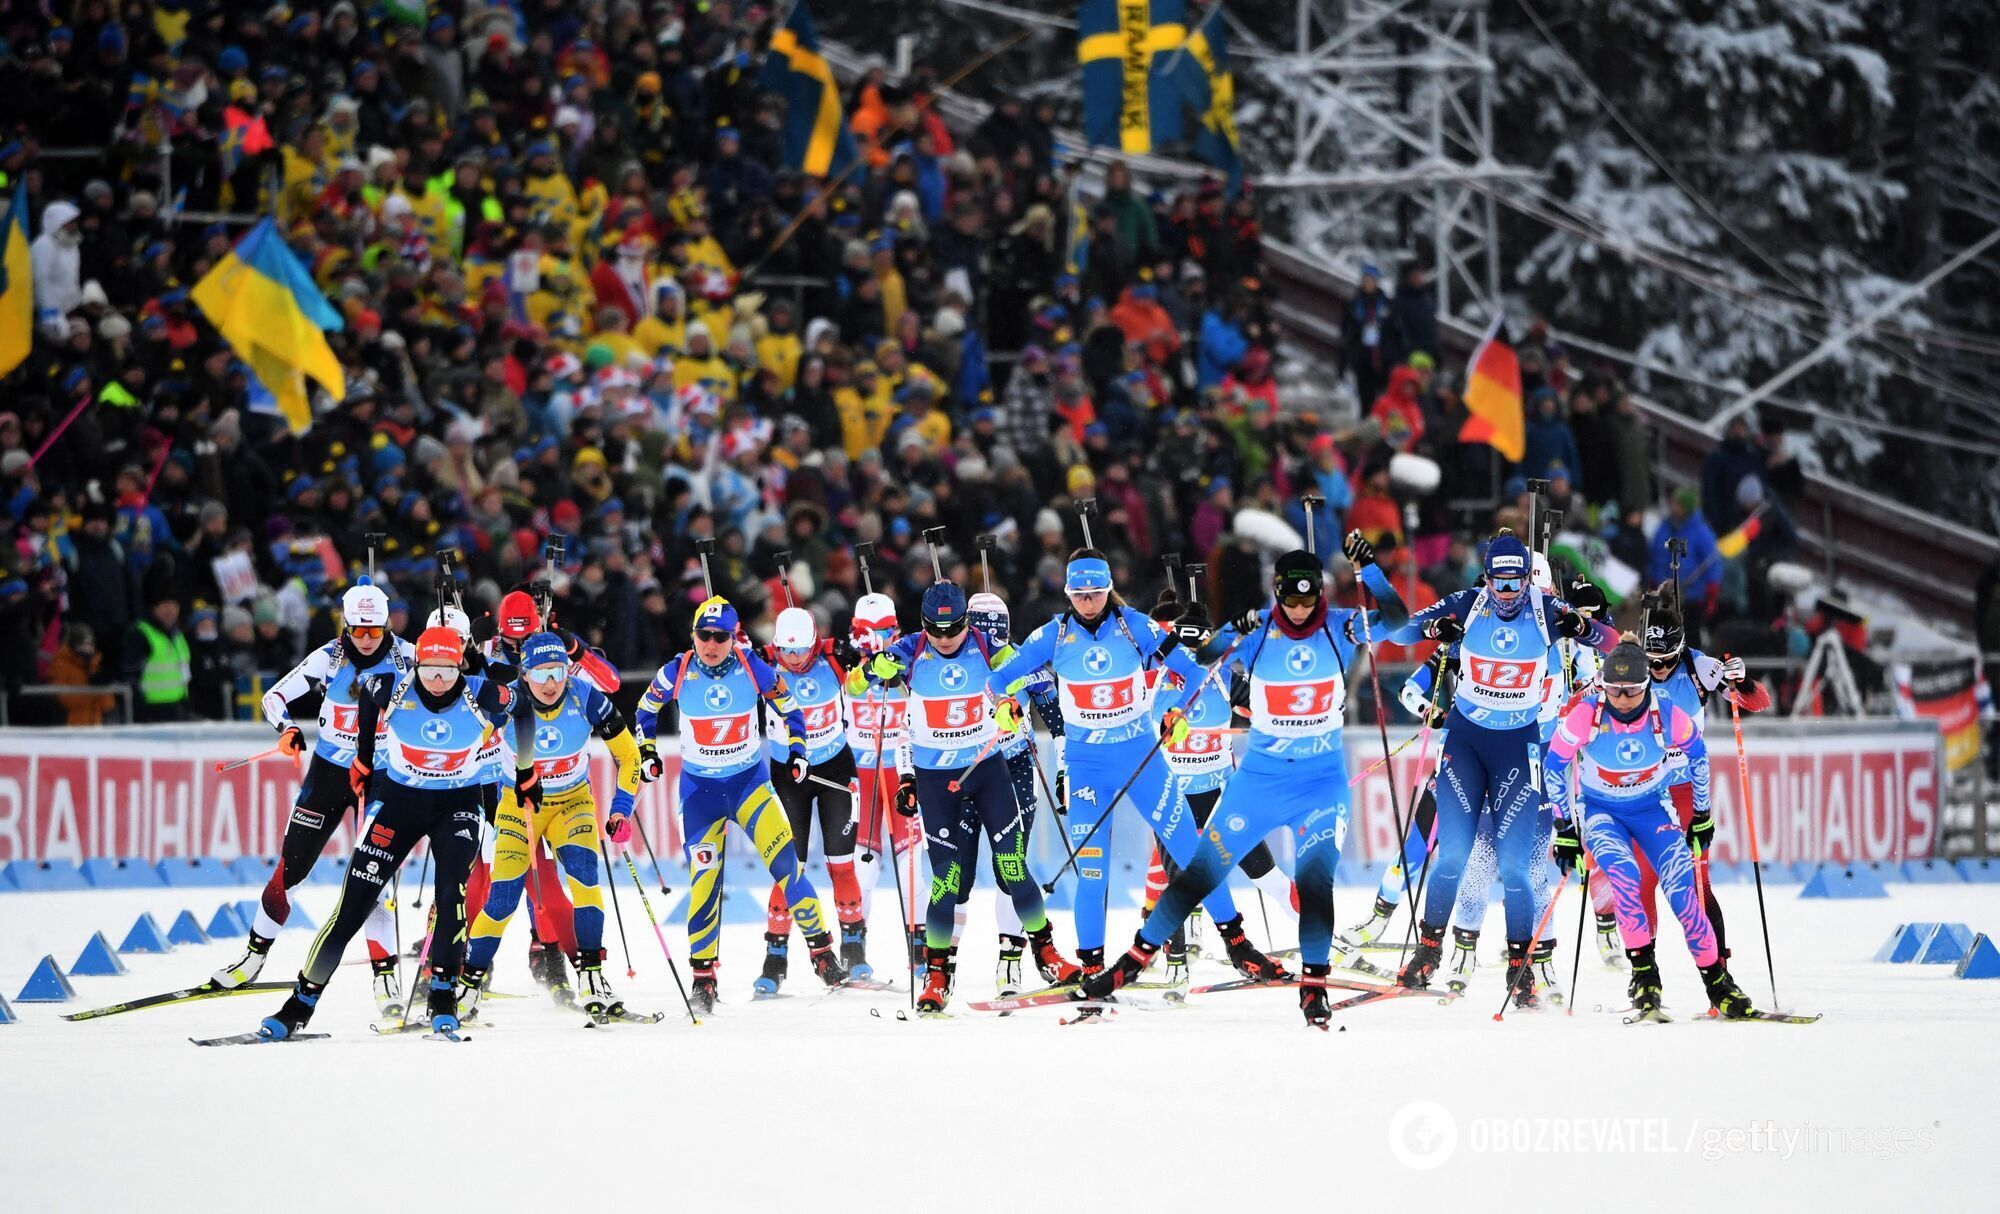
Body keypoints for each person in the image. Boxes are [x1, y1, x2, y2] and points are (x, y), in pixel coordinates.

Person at [1081, 534, 1408, 1026]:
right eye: (1289, 599)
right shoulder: (1257, 635)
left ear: (1320, 594)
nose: (1298, 610)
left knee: (1315, 881)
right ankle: (1130, 965)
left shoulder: (1341, 627)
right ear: (1277, 593)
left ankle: (1313, 986)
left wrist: (1373, 573)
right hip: (1259, 780)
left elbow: (1400, 626)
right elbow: (1201, 657)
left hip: (1320, 782)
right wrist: (1226, 628)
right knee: (1200, 873)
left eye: (1307, 598)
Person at [986, 548, 1280, 987]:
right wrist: (1005, 704)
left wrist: (1177, 712)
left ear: (1108, 590)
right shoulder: (1052, 635)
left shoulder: (1136, 627)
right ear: (1069, 593)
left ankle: (1239, 946)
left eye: (1096, 593)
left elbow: (1196, 673)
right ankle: (1091, 967)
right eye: (1080, 594)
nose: (1088, 601)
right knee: (1092, 870)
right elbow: (995, 681)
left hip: (1140, 758)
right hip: (1087, 769)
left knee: (1189, 851)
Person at [1388, 532, 1617, 1004]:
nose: (1509, 594)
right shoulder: (1470, 603)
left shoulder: (1545, 611)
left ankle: (1521, 966)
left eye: (1516, 582)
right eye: (1500, 583)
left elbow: (1610, 645)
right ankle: (1429, 951)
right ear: (1488, 577)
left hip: (1519, 745)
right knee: (1452, 855)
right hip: (1466, 742)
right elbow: (1399, 630)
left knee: (1517, 865)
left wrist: (1589, 624)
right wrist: (1433, 632)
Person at [256, 625, 511, 1040]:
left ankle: (443, 998)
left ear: (459, 666)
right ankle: (299, 1004)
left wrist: (526, 771)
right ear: (419, 664)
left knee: (451, 897)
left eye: (447, 671)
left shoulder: (482, 692)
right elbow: (368, 703)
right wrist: (362, 759)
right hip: (399, 802)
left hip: (457, 804)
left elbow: (524, 708)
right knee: (353, 906)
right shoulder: (389, 685)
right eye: (430, 669)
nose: (438, 680)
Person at [848, 581, 1080, 1013]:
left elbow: (1026, 674)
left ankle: (1047, 955)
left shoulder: (988, 645)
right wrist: (870, 669)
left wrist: (1010, 703)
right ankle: (937, 975)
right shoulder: (909, 650)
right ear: (924, 626)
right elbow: (856, 688)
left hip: (988, 772)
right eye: (936, 631)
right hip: (938, 781)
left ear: (966, 621)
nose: (945, 638)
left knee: (1012, 867)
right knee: (948, 881)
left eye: (953, 628)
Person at [634, 596, 848, 1014]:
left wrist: (800, 750)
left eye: (721, 637)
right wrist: (646, 751)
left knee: (788, 867)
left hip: (750, 785)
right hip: (701, 794)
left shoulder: (752, 665)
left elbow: (789, 707)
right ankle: (703, 979)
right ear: (692, 635)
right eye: (704, 635)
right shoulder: (676, 670)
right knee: (704, 883)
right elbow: (645, 710)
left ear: (734, 639)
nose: (711, 644)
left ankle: (823, 956)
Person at [215, 579, 411, 1016]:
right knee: (290, 868)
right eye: (356, 630)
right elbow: (274, 697)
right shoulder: (329, 656)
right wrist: (286, 728)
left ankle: (386, 981)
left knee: (374, 880)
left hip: (380, 777)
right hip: (328, 773)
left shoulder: (409, 658)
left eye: (373, 632)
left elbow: (454, 679)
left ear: (386, 628)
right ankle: (252, 958)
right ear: (344, 625)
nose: (364, 640)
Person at [1543, 641, 1756, 1020]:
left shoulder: (1666, 714)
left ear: (1646, 687)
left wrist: (1702, 814)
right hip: (1601, 812)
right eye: (1614, 690)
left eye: (1632, 691)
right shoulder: (1587, 715)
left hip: (1652, 808)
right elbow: (1554, 764)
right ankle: (1644, 976)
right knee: (1625, 875)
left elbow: (1698, 756)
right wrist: (1564, 827)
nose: (1623, 700)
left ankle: (1717, 982)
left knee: (1682, 892)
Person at [460, 631, 641, 1024]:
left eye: (557, 672)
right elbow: (461, 740)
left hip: (572, 802)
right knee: (503, 898)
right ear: (523, 674)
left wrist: (621, 809)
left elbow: (629, 757)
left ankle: (592, 975)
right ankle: (469, 984)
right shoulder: (506, 699)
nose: (550, 683)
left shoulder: (584, 696)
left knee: (584, 880)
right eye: (540, 674)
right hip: (517, 803)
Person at [755, 606, 870, 992]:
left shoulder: (834, 659)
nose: (794, 659)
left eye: (801, 651)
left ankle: (854, 951)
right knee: (789, 867)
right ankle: (775, 959)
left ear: (813, 643)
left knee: (842, 863)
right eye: (786, 652)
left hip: (835, 771)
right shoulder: (764, 665)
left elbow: (869, 660)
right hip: (788, 777)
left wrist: (866, 649)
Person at [963, 590, 1064, 997]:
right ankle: (934, 959)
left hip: (1016, 766)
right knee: (956, 871)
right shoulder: (954, 660)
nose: (991, 650)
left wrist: (1065, 768)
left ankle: (1011, 961)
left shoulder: (1025, 659)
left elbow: (1057, 719)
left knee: (1012, 865)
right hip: (968, 770)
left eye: (997, 641)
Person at [845, 591, 920, 965]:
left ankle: (921, 949)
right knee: (864, 867)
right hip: (862, 772)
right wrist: (872, 664)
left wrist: (897, 664)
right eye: (872, 632)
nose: (881, 639)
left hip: (903, 769)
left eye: (888, 630)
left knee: (914, 866)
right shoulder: (846, 663)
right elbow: (850, 684)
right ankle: (854, 950)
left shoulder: (908, 659)